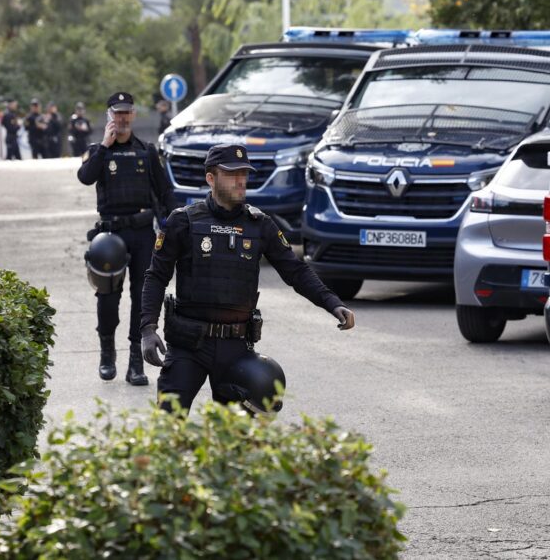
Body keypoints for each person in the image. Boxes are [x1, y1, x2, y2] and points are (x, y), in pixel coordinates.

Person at [139, 143, 356, 412]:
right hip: (188, 345)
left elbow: (295, 271)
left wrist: (333, 302)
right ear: (211, 178)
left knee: (237, 440)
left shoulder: (259, 225)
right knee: (168, 426)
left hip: (236, 348)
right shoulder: (183, 221)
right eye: (232, 174)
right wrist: (148, 328)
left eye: (244, 173)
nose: (241, 180)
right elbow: (156, 276)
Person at [78, 91, 178, 384]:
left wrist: (174, 223)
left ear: (133, 115)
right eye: (116, 113)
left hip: (142, 232)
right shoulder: (98, 150)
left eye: (126, 113)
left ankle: (137, 361)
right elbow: (85, 177)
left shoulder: (146, 151)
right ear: (109, 116)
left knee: (142, 298)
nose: (121, 118)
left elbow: (165, 191)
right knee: (108, 297)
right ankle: (107, 353)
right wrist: (104, 147)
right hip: (110, 236)